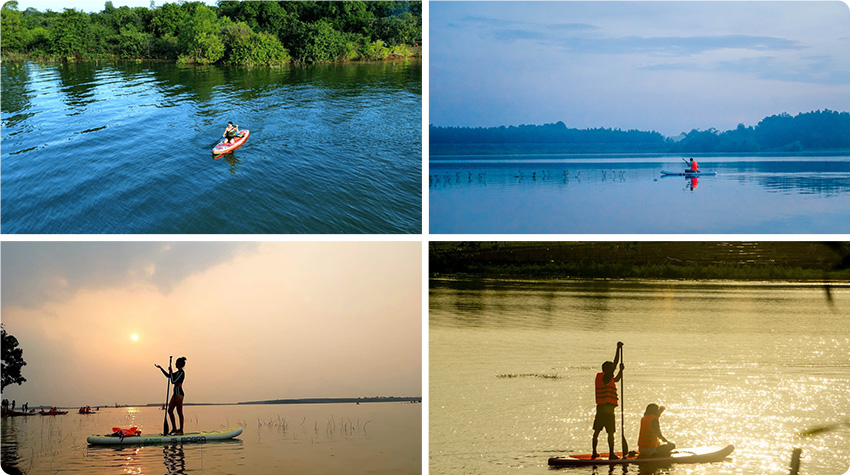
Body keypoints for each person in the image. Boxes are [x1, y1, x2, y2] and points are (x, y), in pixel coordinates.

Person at [591, 342, 624, 460]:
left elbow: (617, 379)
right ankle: (610, 454)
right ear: (607, 369)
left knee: (598, 432)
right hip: (607, 412)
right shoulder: (604, 376)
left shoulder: (606, 378)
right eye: (611, 369)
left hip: (602, 410)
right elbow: (615, 363)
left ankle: (595, 452)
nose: (613, 369)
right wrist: (618, 349)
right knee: (609, 433)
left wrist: (621, 371)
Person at [155, 356, 187, 435]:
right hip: (175, 393)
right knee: (169, 411)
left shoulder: (182, 373)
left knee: (179, 412)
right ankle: (174, 428)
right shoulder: (177, 373)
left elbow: (173, 381)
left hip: (179, 394)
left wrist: (171, 372)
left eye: (176, 363)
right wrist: (161, 368)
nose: (175, 364)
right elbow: (169, 376)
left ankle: (181, 430)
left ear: (179, 364)